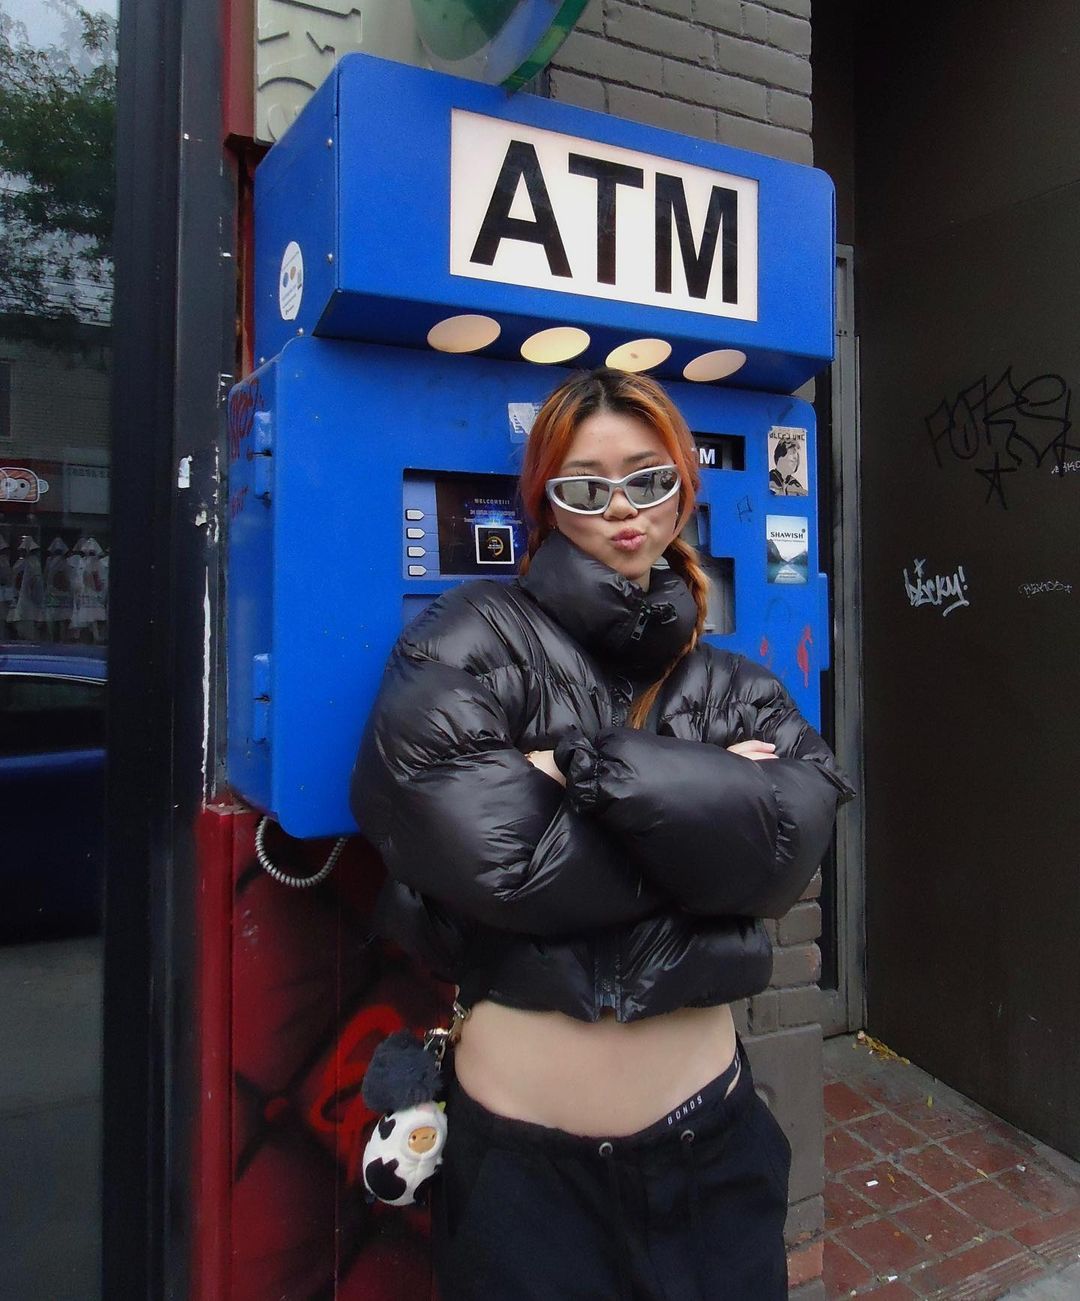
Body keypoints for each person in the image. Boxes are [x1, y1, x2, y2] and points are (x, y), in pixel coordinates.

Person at [352, 368, 854, 1300]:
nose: (622, 507)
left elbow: (789, 850)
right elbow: (483, 848)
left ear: (683, 489)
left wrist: (569, 769)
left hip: (713, 1158)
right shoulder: (470, 636)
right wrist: (704, 810)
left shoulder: (735, 682)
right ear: (546, 501)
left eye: (649, 478)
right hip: (522, 1182)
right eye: (586, 486)